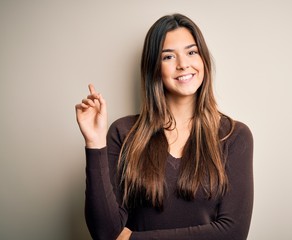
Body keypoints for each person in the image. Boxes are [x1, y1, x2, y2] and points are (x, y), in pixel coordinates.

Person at [75, 13, 253, 240]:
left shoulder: (234, 136)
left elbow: (233, 233)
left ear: (204, 60)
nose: (183, 64)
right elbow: (105, 233)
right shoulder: (124, 133)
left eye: (191, 52)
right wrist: (95, 143)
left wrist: (131, 239)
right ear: (154, 68)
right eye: (168, 57)